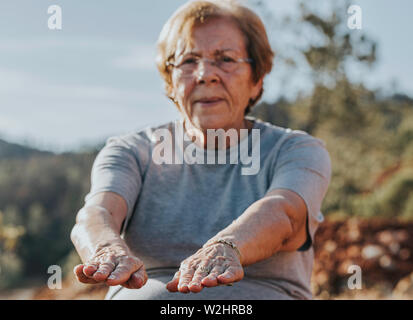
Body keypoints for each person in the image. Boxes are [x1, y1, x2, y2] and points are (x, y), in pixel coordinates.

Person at [70, 0, 331, 300]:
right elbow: (98, 211)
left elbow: (285, 213)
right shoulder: (130, 151)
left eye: (226, 59)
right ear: (170, 82)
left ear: (257, 80)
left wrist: (226, 247)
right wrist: (105, 247)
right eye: (188, 61)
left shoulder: (296, 150)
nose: (206, 74)